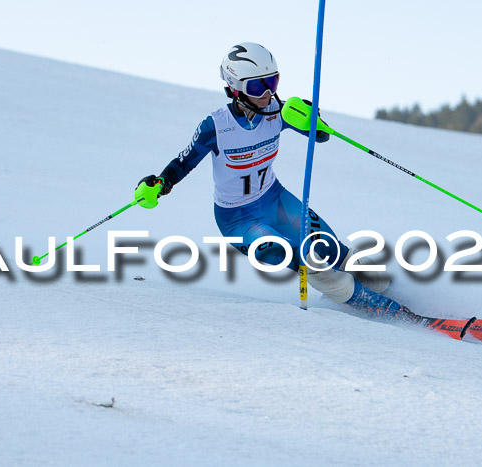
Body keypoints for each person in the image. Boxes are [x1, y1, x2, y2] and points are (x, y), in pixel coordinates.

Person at [135, 42, 417, 322]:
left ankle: (404, 297)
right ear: (236, 88)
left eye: (273, 81)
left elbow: (321, 135)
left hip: (275, 200)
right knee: (309, 262)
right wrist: (159, 184)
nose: (268, 92)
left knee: (336, 253)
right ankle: (395, 315)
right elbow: (184, 162)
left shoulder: (279, 111)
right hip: (237, 220)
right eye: (258, 87)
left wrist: (312, 118)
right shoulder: (216, 126)